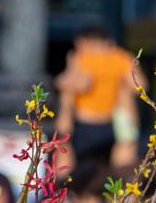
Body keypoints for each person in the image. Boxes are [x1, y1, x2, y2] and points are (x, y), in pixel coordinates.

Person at [55, 26, 141, 167]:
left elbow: (82, 84)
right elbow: (139, 86)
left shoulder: (80, 57)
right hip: (112, 125)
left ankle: (63, 140)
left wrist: (61, 81)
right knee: (124, 92)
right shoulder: (121, 58)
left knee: (67, 94)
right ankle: (125, 156)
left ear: (81, 42)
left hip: (84, 124)